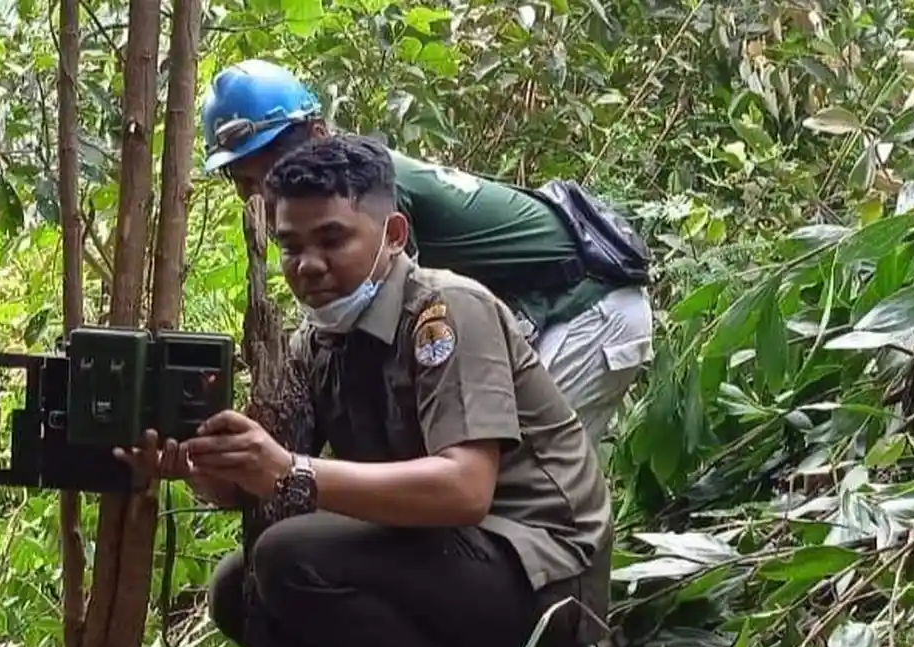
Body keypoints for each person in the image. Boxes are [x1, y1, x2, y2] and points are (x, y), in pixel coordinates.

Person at [118, 134, 614, 647]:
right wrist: (198, 466)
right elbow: (253, 484)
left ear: (394, 236)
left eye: (332, 239)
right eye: (290, 246)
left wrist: (291, 471)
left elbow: (464, 489)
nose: (308, 265)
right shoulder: (318, 343)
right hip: (457, 562)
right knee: (238, 585)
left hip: (549, 582)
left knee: (286, 555)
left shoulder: (448, 311)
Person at [199, 58, 655, 446]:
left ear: (318, 134)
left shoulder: (366, 193)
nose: (265, 195)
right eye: (246, 184)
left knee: (511, 470)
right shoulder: (349, 188)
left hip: (585, 306)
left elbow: (391, 324)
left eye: (272, 172)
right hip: (531, 309)